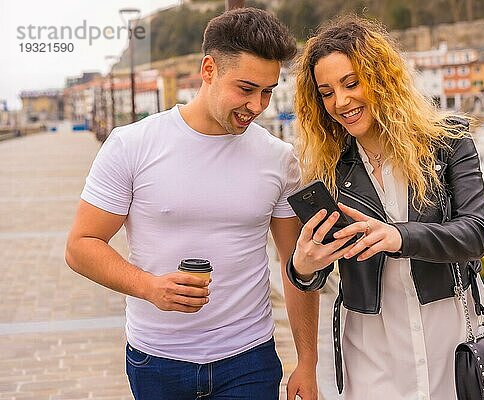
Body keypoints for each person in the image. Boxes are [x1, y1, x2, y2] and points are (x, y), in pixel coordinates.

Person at [65, 8, 319, 400]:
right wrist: (149, 287)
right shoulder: (132, 144)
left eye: (267, 91)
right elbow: (81, 246)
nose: (257, 105)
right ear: (208, 69)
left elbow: (295, 265)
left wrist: (307, 361)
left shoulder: (278, 158)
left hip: (249, 358)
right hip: (157, 359)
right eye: (246, 88)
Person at [287, 15, 484, 399]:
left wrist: (397, 236)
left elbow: (476, 234)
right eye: (327, 92)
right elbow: (315, 276)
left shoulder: (447, 143)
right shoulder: (328, 170)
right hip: (370, 345)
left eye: (351, 83)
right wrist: (303, 265)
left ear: (382, 78)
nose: (341, 102)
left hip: (451, 333)